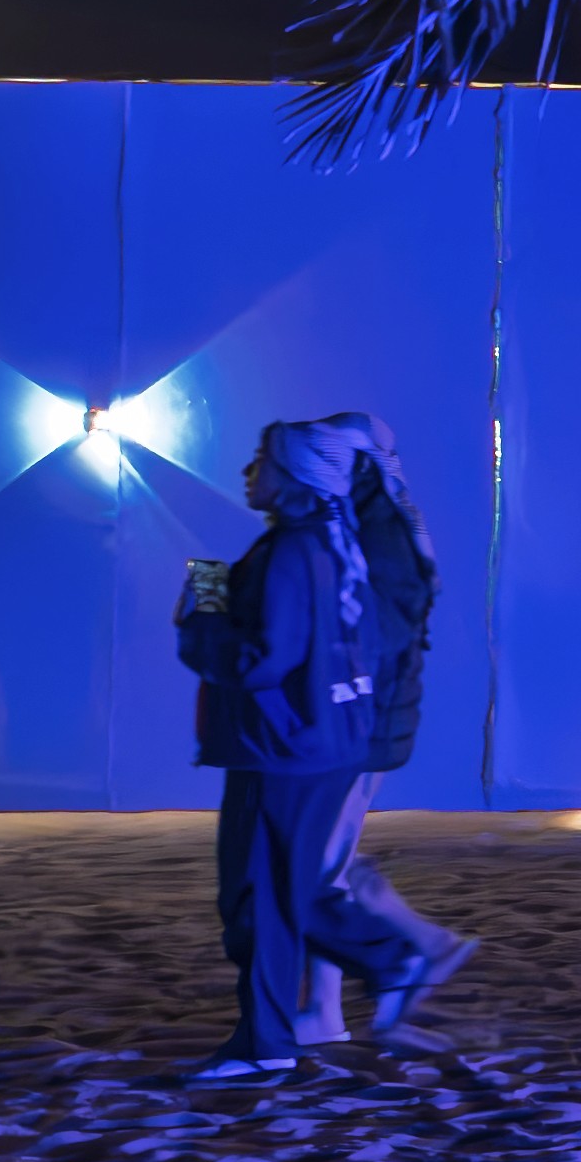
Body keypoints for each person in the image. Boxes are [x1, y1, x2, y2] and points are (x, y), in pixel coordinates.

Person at [180, 413, 462, 1069]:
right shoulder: (342, 544)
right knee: (280, 889)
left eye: (263, 460)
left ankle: (364, 979)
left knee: (265, 893)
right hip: (323, 741)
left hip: (290, 746)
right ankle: (323, 1007)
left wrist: (201, 615)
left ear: (299, 474)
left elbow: (264, 659)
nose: (250, 471)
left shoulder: (299, 550)